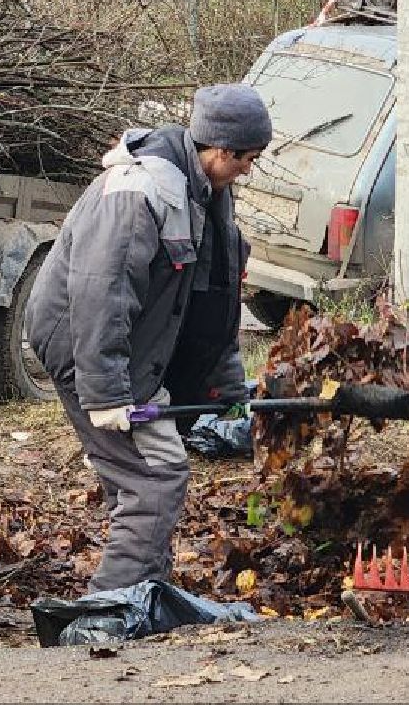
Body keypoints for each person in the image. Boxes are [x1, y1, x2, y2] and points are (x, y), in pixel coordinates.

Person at [25, 84, 270, 592]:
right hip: (84, 347)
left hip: (133, 350)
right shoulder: (140, 193)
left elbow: (213, 305)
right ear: (219, 150)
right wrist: (107, 394)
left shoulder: (207, 194)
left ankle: (144, 589)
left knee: (142, 476)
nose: (250, 169)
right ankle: (110, 609)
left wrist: (224, 389)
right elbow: (101, 294)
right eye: (247, 158)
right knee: (155, 477)